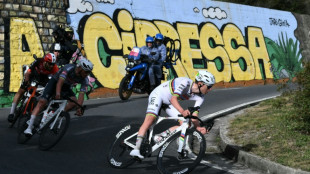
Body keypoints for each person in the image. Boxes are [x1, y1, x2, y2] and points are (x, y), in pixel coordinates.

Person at [130, 70, 215, 159]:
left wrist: (198, 127)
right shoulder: (185, 83)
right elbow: (173, 99)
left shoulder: (201, 98)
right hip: (159, 95)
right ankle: (136, 148)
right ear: (201, 83)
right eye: (209, 86)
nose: (210, 89)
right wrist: (182, 111)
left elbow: (194, 115)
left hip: (168, 103)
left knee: (186, 124)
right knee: (150, 119)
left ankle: (159, 137)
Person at [23, 58, 94, 135]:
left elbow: (81, 94)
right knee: (42, 102)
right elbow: (59, 82)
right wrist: (57, 93)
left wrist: (79, 107)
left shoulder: (85, 79)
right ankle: (29, 128)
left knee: (73, 102)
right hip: (55, 82)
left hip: (66, 86)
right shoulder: (69, 68)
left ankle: (53, 116)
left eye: (89, 72)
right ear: (80, 68)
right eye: (86, 72)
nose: (87, 74)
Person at [7, 53, 59, 123]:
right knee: (21, 91)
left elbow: (55, 81)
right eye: (50, 64)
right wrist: (26, 82)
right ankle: (12, 112)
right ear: (45, 62)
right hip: (33, 75)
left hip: (44, 78)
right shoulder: (38, 61)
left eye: (53, 64)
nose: (51, 66)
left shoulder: (55, 68)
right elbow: (28, 73)